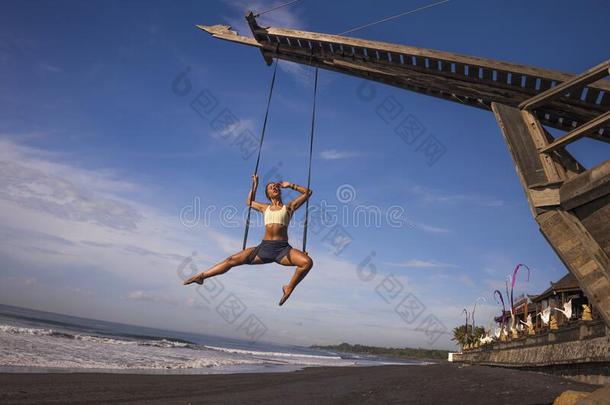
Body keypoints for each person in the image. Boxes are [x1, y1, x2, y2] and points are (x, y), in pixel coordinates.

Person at [183, 174, 313, 306]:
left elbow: (308, 192)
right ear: (268, 195)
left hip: (283, 250)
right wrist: (255, 186)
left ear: (280, 191)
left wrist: (290, 185)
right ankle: (202, 276)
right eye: (270, 187)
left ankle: (289, 287)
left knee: (307, 262)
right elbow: (249, 202)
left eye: (275, 186)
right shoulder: (264, 207)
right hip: (264, 248)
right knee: (231, 260)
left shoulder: (289, 207)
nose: (274, 187)